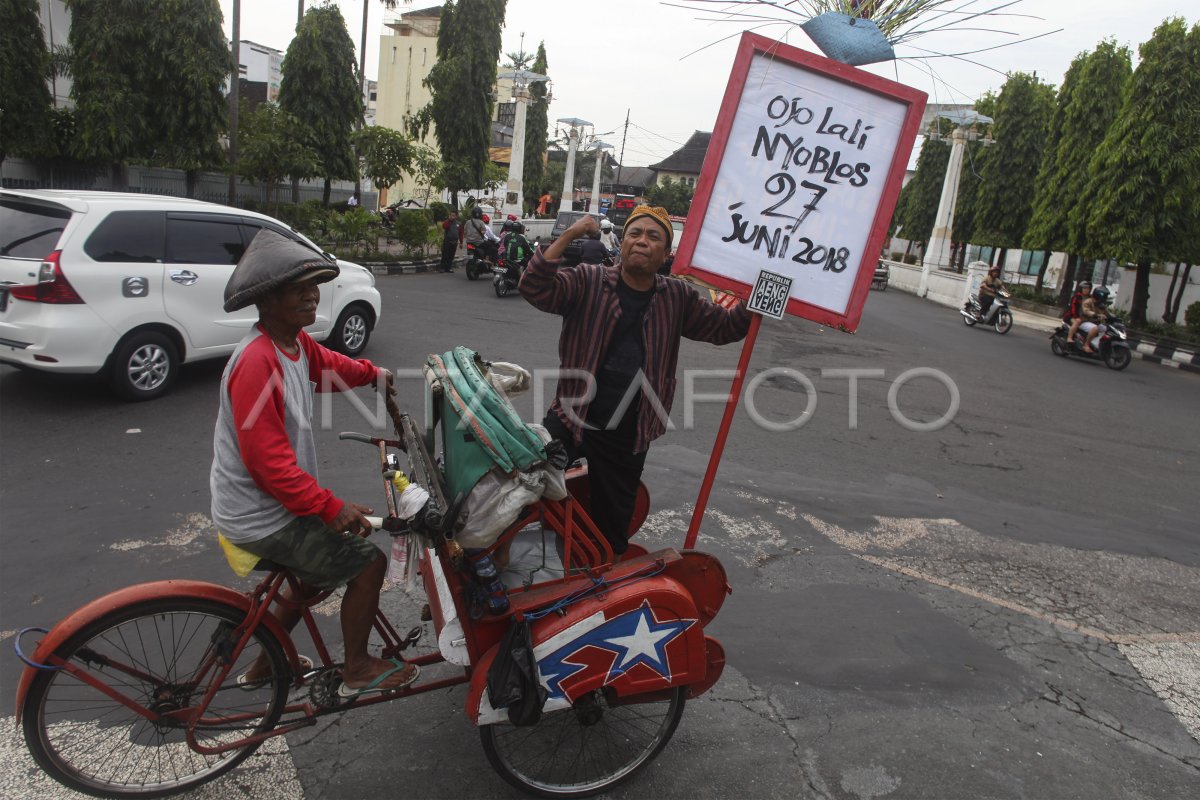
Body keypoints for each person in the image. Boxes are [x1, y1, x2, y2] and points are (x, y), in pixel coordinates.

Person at [210, 230, 419, 697]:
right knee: (367, 562)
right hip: (262, 516)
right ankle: (359, 668)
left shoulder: (293, 344)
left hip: (274, 506)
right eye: (298, 287)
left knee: (312, 569)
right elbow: (268, 464)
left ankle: (267, 662)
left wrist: (374, 375)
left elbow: (328, 365)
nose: (312, 294)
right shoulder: (256, 362)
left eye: (314, 285)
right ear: (266, 300)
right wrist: (328, 506)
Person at [519, 205, 752, 555]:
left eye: (653, 237)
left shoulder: (677, 297)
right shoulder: (587, 280)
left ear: (665, 254)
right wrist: (569, 234)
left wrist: (758, 300)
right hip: (571, 416)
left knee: (612, 525)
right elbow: (535, 286)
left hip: (630, 430)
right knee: (526, 489)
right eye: (635, 234)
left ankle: (599, 584)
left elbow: (724, 327)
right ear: (622, 243)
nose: (642, 241)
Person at [1078, 286, 1112, 354]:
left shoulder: (1101, 304)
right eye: (1105, 295)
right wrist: (1097, 315)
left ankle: (1095, 344)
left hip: (1094, 322)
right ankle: (1086, 345)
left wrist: (1114, 318)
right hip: (1084, 321)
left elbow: (1107, 314)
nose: (1106, 297)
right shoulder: (1088, 301)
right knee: (1095, 328)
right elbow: (1086, 311)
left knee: (1106, 329)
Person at [1064, 280, 1092, 346]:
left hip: (1084, 317)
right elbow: (1073, 308)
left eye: (1087, 288)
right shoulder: (1076, 297)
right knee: (1077, 322)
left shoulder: (1090, 298)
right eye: (1084, 288)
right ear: (1081, 289)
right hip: (1071, 316)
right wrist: (1076, 317)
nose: (1086, 290)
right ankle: (1069, 338)